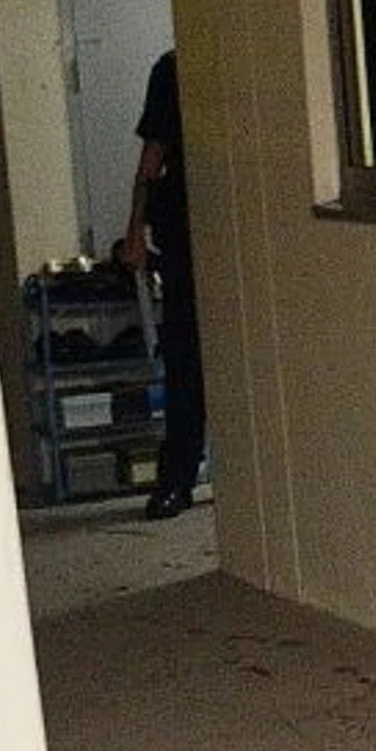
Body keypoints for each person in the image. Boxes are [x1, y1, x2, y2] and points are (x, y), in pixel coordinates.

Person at [121, 48, 205, 520]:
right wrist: (135, 230)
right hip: (183, 228)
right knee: (184, 357)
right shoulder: (173, 69)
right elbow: (152, 158)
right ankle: (177, 478)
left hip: (237, 223)